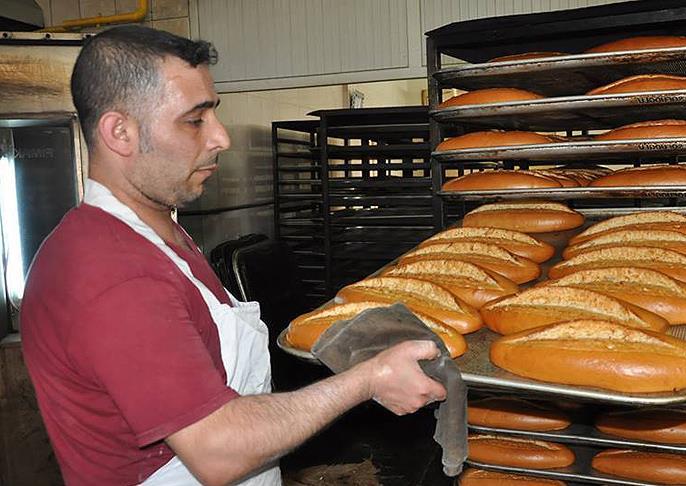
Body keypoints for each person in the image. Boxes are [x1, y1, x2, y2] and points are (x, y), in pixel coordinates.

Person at [20, 25, 446, 486]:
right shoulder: (112, 272)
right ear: (120, 132)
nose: (221, 137)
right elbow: (218, 450)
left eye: (214, 114)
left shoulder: (155, 234)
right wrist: (368, 379)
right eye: (194, 120)